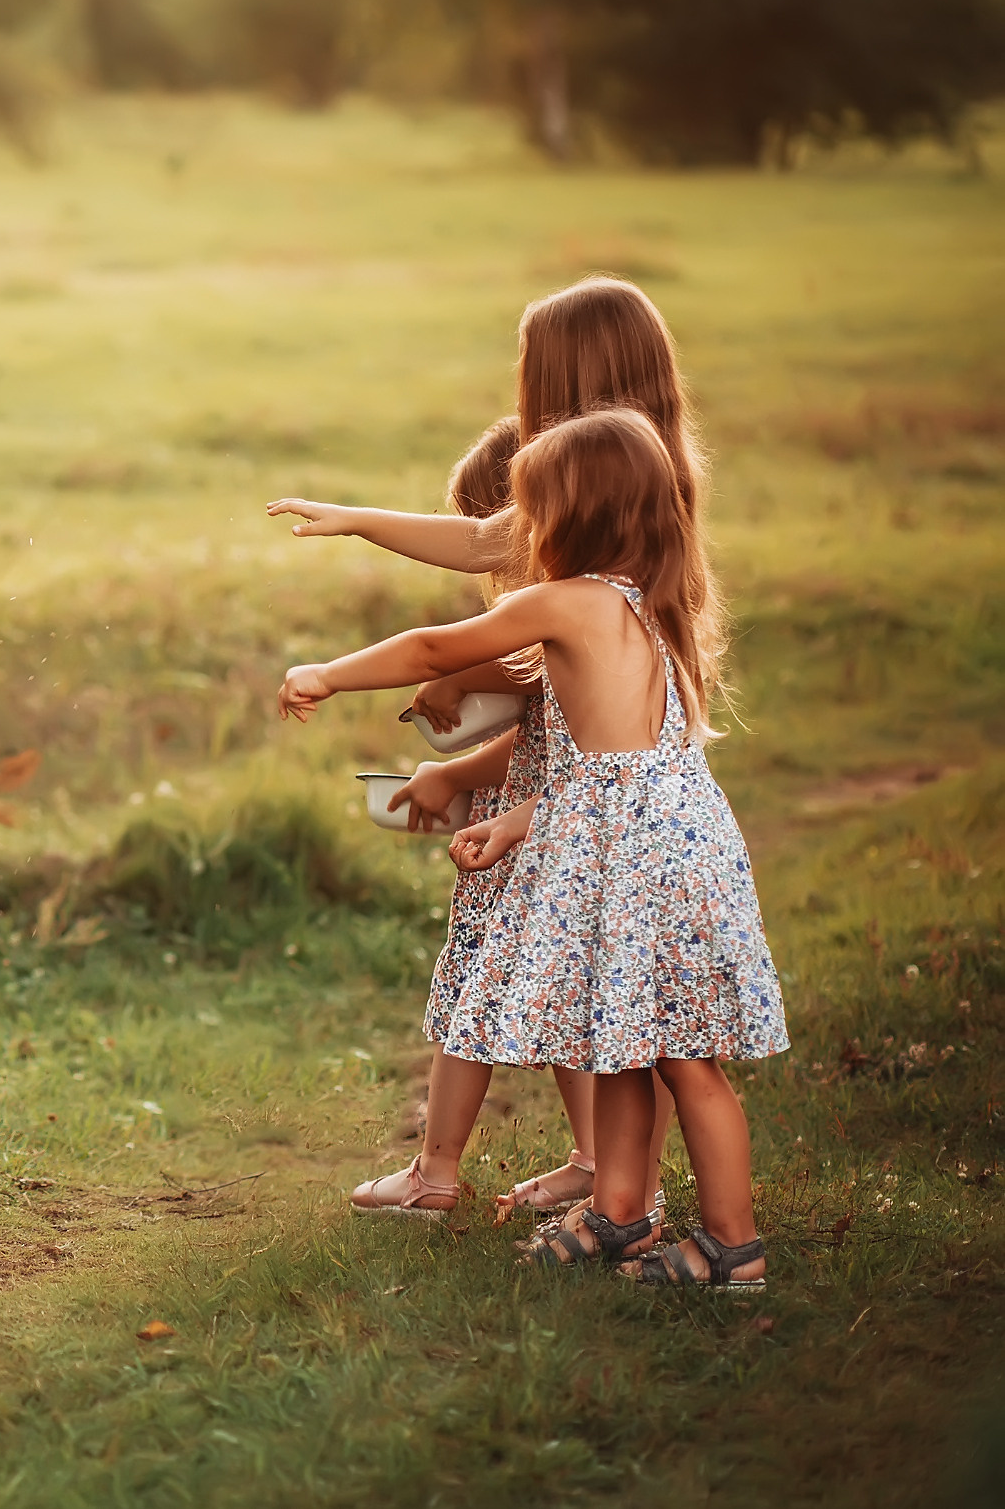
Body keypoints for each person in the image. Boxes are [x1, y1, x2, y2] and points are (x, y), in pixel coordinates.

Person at [279, 410, 786, 1289]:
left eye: (530, 511)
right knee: (623, 1044)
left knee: (687, 1064)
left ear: (573, 518)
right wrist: (521, 819)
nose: (516, 533)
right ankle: (618, 1217)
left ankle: (732, 1247)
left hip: (637, 864)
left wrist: (327, 673)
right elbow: (612, 770)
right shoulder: (649, 606)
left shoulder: (570, 601)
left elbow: (437, 647)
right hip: (660, 847)